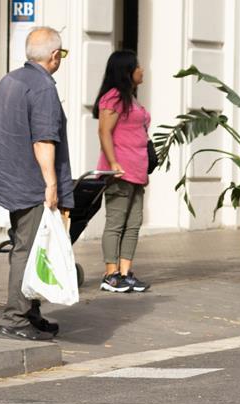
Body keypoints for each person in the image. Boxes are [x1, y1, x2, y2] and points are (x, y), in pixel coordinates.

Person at [0, 27, 73, 341]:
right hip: (31, 181)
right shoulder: (43, 87)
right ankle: (15, 319)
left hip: (10, 179)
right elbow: (43, 139)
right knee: (29, 249)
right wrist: (51, 183)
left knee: (28, 247)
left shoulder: (9, 81)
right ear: (54, 56)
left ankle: (31, 313)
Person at [93, 50, 151, 293]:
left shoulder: (130, 98)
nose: (142, 70)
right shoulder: (113, 97)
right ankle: (111, 275)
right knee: (116, 223)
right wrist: (113, 162)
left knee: (134, 222)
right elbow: (104, 131)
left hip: (137, 171)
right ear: (127, 71)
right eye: (138, 66)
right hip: (119, 172)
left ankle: (125, 273)